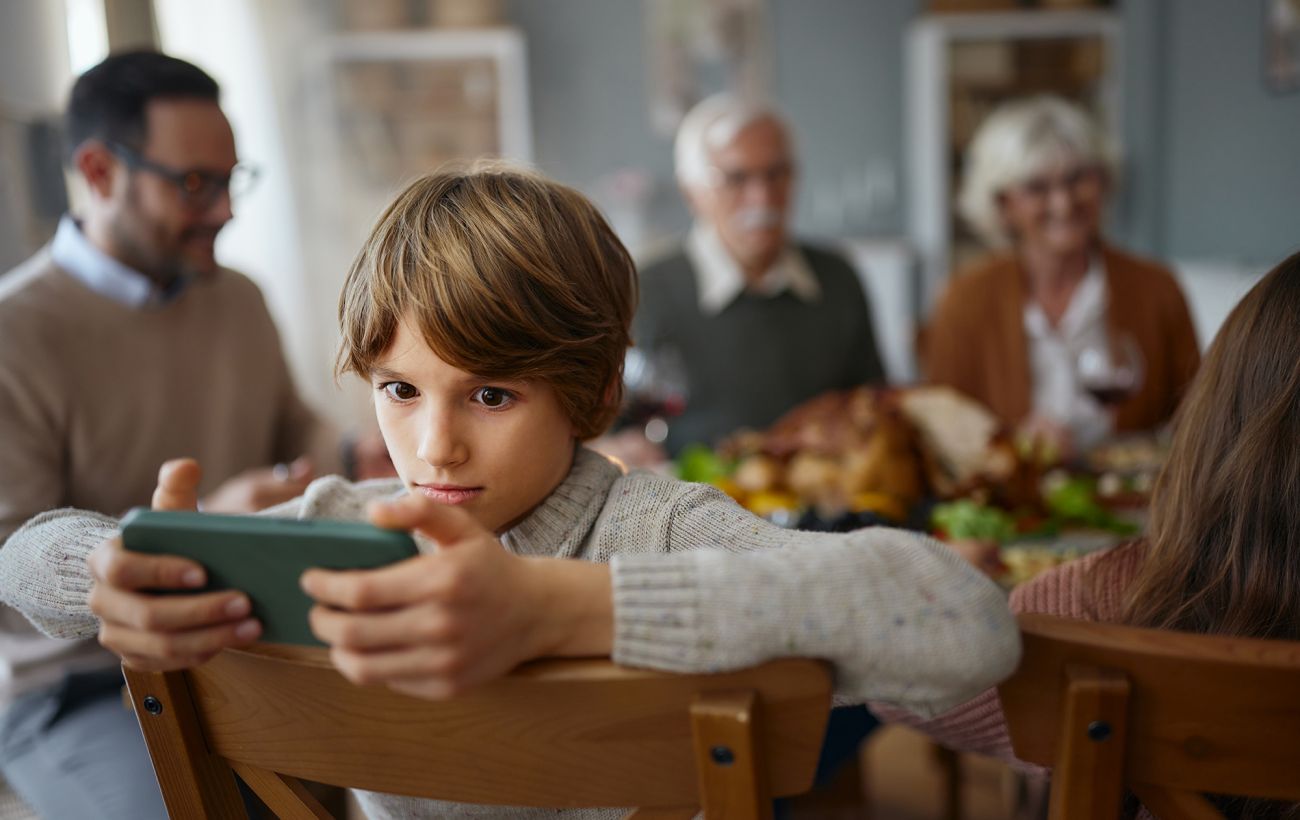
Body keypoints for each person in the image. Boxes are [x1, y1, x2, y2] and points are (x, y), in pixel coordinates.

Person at [0, 164, 1020, 820]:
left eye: (491, 393)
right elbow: (19, 557)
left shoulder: (658, 529)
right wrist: (108, 567)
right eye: (399, 390)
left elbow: (965, 621)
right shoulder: (337, 529)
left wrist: (562, 606)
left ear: (596, 392)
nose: (432, 446)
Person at [0, 50, 347, 818]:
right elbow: (6, 560)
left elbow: (296, 428)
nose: (224, 210)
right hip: (78, 687)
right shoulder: (14, 334)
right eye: (194, 183)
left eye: (231, 180)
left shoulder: (239, 299)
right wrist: (187, 535)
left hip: (246, 651)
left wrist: (359, 451)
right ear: (98, 172)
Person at [882, 249, 1300, 818]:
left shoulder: (1093, 605)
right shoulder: (970, 297)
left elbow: (893, 668)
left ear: (1217, 411)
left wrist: (939, 579)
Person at [924, 95, 1200, 457]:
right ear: (1004, 204)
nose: (1063, 203)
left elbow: (1199, 416)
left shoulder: (1158, 288)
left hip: (1134, 490)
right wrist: (1013, 446)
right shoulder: (965, 300)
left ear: (1103, 182)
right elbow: (940, 436)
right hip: (1014, 491)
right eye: (1037, 188)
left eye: (1077, 179)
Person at [628, 93, 886, 456]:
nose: (762, 197)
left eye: (776, 174)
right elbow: (616, 425)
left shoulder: (837, 279)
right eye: (736, 178)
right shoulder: (646, 290)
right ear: (691, 192)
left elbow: (874, 404)